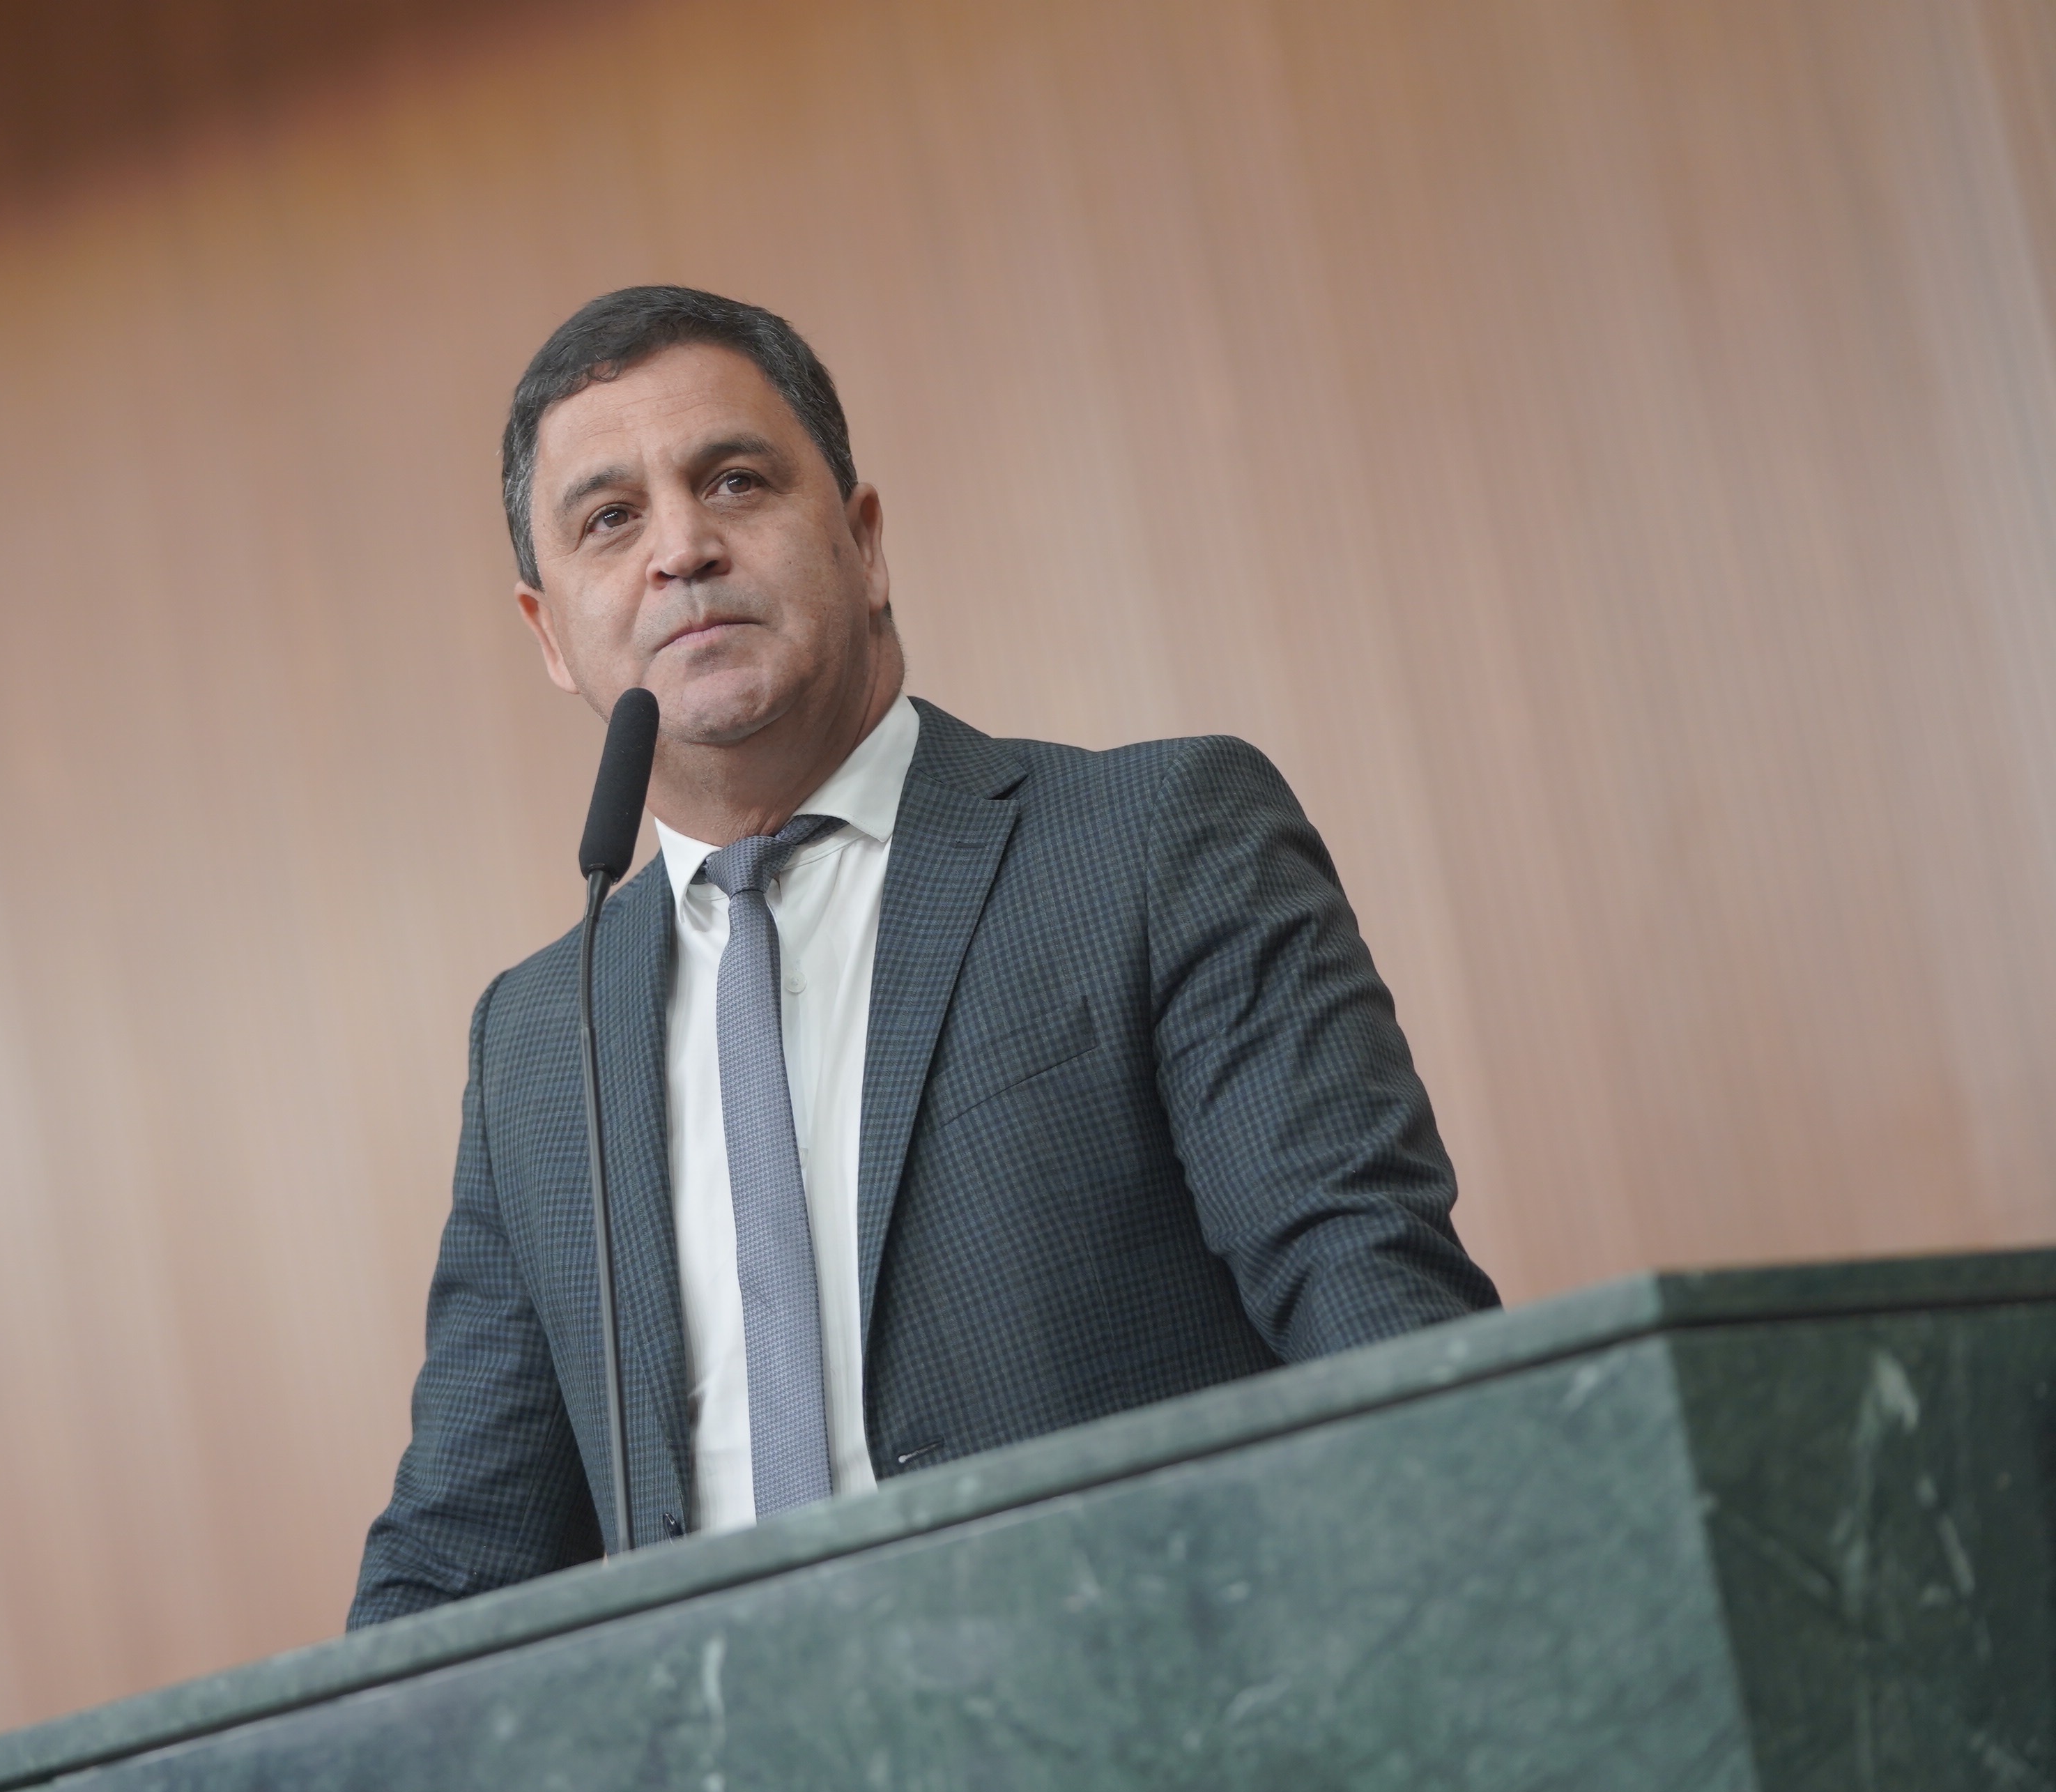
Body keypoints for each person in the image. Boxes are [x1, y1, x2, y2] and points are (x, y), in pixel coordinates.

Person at [347, 286, 1497, 1628]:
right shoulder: (540, 1042)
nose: (682, 549)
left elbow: (1379, 1318)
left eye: (734, 481)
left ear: (864, 541)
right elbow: (458, 1561)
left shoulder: (1154, 844)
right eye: (610, 520)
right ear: (551, 634)